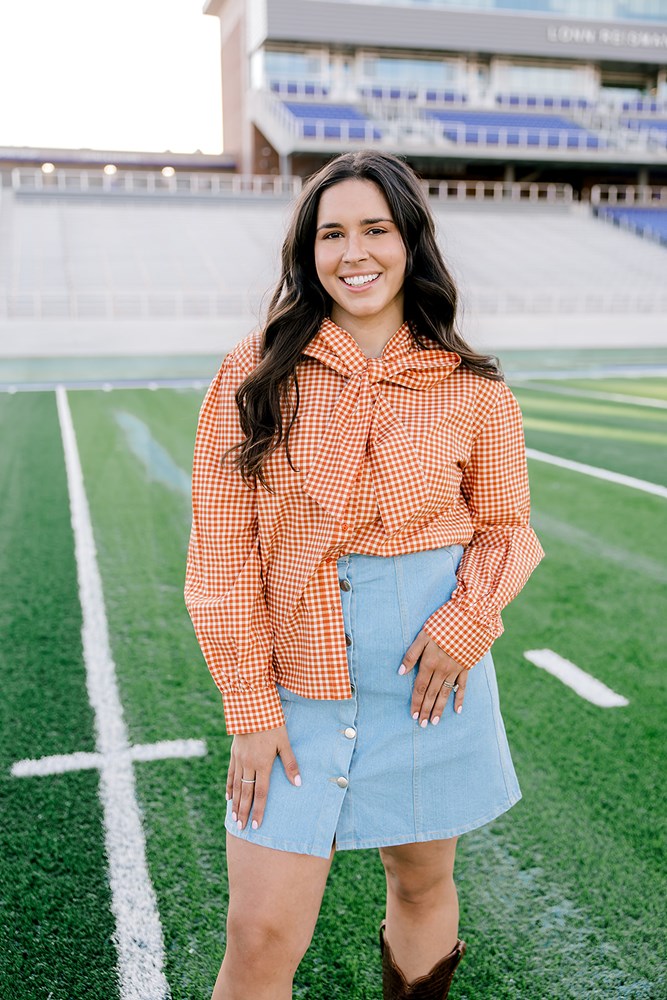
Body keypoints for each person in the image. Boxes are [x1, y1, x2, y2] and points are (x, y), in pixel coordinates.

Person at [184, 149, 545, 1000]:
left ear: (410, 242)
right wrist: (250, 707)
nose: (354, 253)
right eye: (331, 233)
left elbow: (506, 530)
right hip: (295, 685)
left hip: (427, 680)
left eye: (375, 229)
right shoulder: (250, 373)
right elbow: (220, 554)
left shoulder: (474, 388)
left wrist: (466, 623)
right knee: (259, 931)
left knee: (420, 884)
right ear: (306, 251)